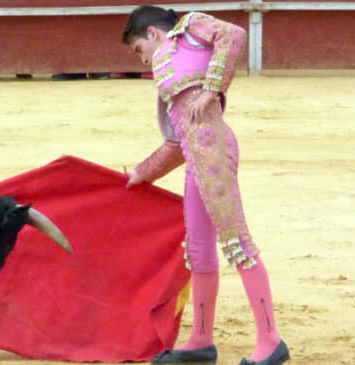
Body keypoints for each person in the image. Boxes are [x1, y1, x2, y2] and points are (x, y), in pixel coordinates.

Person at [121, 6, 290, 365]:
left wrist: (212, 90)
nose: (144, 60)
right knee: (198, 250)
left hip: (214, 149)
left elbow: (234, 35)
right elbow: (177, 144)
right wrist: (142, 173)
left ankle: (270, 340)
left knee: (237, 241)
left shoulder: (190, 27)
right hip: (198, 157)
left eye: (139, 50)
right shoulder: (165, 82)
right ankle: (201, 340)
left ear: (153, 33)